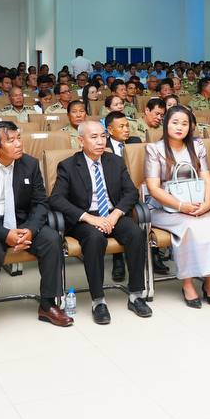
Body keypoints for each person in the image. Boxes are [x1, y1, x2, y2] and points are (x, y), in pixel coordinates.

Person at [0, 121, 71, 336]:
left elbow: (40, 203)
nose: (19, 144)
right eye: (11, 141)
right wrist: (5, 234)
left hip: (22, 223)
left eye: (19, 138)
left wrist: (29, 230)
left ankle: (48, 304)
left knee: (51, 240)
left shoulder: (29, 164)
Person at [50, 120, 152, 324]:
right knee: (95, 238)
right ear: (81, 141)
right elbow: (56, 199)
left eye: (103, 136)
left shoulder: (115, 161)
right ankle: (98, 301)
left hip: (112, 214)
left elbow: (131, 192)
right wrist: (89, 218)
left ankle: (135, 295)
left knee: (135, 233)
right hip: (85, 218)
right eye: (94, 137)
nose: (100, 141)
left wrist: (115, 215)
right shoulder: (68, 166)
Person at [143, 106, 210, 307]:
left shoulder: (197, 147)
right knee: (190, 227)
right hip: (163, 208)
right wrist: (181, 206)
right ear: (166, 124)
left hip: (196, 204)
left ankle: (209, 281)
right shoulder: (154, 149)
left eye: (184, 123)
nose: (180, 127)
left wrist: (207, 203)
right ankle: (188, 284)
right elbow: (153, 188)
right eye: (175, 123)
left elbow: (206, 178)